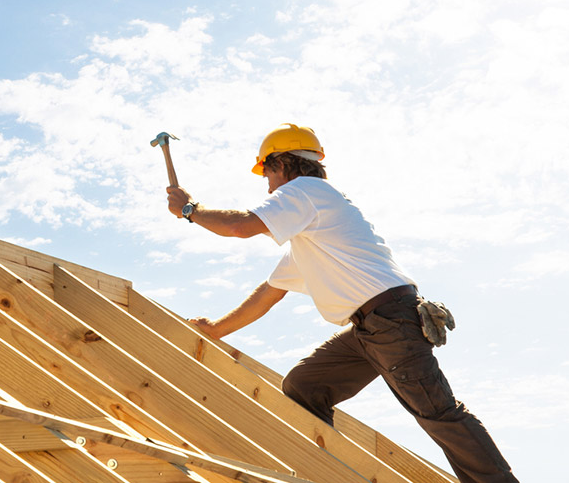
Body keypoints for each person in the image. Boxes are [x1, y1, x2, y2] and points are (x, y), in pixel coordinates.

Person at [165, 124, 518, 483]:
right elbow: (269, 294)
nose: (268, 184)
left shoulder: (305, 192)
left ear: (284, 164)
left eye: (268, 172)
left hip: (389, 320)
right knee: (304, 386)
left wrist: (190, 209)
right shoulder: (313, 230)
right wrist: (216, 330)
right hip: (373, 326)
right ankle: (328, 472)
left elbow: (240, 226)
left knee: (439, 414)